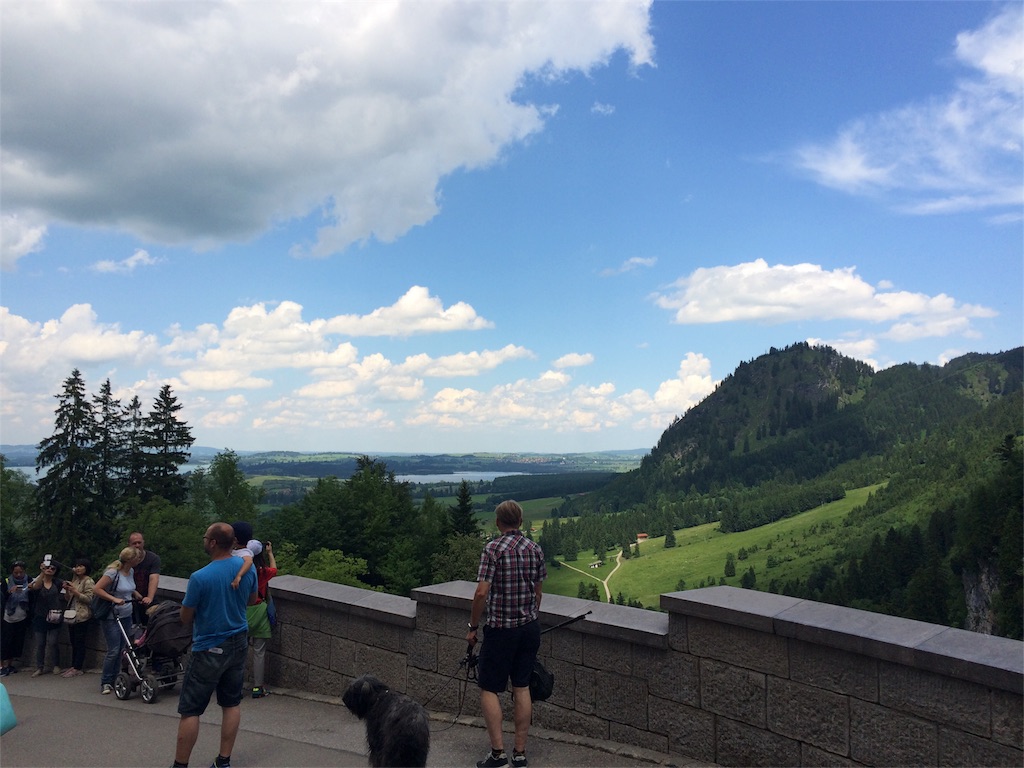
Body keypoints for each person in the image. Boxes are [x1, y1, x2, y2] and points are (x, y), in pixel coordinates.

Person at [466, 501, 546, 768]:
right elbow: (538, 592)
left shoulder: (493, 549)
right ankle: (520, 754)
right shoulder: (535, 549)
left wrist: (473, 627)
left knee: (490, 688)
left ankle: (498, 755)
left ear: (499, 523)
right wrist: (529, 615)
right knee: (522, 686)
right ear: (520, 522)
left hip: (501, 630)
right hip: (529, 628)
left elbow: (481, 593)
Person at [173, 522, 258, 768]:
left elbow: (185, 617)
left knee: (191, 709)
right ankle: (223, 761)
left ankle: (180, 765)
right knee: (231, 703)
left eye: (205, 537)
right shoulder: (246, 568)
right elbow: (252, 599)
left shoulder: (200, 577)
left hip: (209, 645)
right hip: (239, 641)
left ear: (212, 542)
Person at [93, 547, 144, 694]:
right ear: (130, 560)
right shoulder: (112, 573)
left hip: (127, 613)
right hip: (112, 614)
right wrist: (114, 599)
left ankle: (117, 677)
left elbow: (126, 587)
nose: (139, 560)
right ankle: (106, 681)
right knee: (114, 649)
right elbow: (97, 589)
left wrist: (135, 593)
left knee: (123, 648)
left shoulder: (131, 571)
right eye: (137, 558)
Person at [247, 541, 277, 699]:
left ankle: (235, 687)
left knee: (239, 651)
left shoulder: (241, 569)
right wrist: (270, 553)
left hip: (241, 612)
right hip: (259, 611)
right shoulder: (263, 572)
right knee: (259, 652)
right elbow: (274, 569)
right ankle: (258, 688)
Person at [27, 558, 66, 676]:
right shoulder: (38, 580)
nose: (50, 570)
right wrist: (42, 572)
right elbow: (36, 587)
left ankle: (56, 665)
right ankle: (40, 667)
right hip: (40, 615)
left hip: (55, 615)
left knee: (53, 642)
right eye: (48, 567)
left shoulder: (58, 583)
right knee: (40, 643)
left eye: (52, 568)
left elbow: (64, 597)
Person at [61, 557, 95, 677]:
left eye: (81, 566)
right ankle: (73, 665)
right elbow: (67, 599)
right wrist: (67, 590)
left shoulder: (89, 581)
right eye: (77, 566)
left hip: (82, 615)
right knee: (73, 641)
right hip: (71, 614)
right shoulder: (74, 580)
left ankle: (78, 667)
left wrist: (75, 592)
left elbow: (90, 599)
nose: (78, 568)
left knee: (80, 642)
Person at [1, 561, 31, 676]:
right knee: (5, 642)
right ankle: (1, 665)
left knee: (16, 642)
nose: (18, 575)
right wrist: (9, 592)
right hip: (8, 616)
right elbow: (2, 597)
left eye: (21, 572)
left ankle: (9, 664)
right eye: (16, 572)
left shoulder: (28, 581)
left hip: (22, 616)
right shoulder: (7, 581)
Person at [128, 532, 161, 625]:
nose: (137, 545)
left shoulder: (153, 558)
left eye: (139, 542)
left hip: (147, 597)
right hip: (130, 599)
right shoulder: (126, 558)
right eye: (134, 543)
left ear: (143, 543)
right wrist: (134, 592)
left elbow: (154, 578)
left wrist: (150, 597)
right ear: (129, 545)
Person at [229, 521, 261, 590]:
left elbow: (249, 561)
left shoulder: (245, 552)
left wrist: (239, 576)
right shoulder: (236, 550)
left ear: (235, 540)